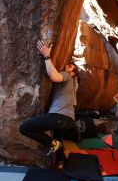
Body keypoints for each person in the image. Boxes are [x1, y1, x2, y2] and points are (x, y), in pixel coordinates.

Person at [19, 40, 80, 169]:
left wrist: (46, 55)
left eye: (70, 66)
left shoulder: (68, 77)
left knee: (24, 128)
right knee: (58, 138)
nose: (66, 66)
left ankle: (52, 144)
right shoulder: (72, 88)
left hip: (59, 116)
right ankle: (60, 162)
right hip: (67, 119)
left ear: (73, 73)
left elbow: (54, 76)